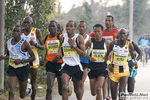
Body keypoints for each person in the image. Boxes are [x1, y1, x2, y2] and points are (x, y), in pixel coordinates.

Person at [56, 20, 94, 100]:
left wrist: (74, 46)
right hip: (66, 66)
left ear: (74, 28)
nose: (68, 28)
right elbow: (60, 49)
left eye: (71, 26)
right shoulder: (62, 37)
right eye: (67, 26)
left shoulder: (79, 37)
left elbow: (83, 54)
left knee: (77, 90)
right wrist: (58, 55)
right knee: (65, 87)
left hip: (76, 66)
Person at [0, 25, 35, 100]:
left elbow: (33, 57)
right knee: (11, 91)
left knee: (22, 95)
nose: (15, 33)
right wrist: (3, 57)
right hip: (12, 68)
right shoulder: (8, 42)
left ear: (21, 32)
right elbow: (9, 55)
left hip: (23, 69)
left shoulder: (25, 43)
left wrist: (22, 61)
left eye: (17, 31)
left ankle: (28, 89)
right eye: (14, 31)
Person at [105, 28, 138, 100]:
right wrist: (109, 64)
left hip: (124, 71)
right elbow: (106, 55)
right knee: (114, 96)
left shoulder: (129, 45)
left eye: (124, 34)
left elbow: (133, 58)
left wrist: (134, 63)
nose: (122, 35)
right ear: (118, 35)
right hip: (113, 70)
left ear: (127, 35)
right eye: (121, 34)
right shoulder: (113, 44)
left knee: (122, 91)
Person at [22, 16, 44, 100]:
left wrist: (36, 44)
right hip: (24, 59)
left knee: (33, 82)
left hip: (34, 60)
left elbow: (43, 47)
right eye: (24, 23)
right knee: (24, 80)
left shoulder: (36, 31)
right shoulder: (21, 32)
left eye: (28, 22)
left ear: (32, 23)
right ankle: (28, 86)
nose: (26, 24)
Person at [85, 24, 110, 100]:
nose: (97, 33)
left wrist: (107, 57)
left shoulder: (106, 42)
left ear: (102, 32)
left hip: (102, 68)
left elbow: (111, 53)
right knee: (93, 92)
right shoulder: (90, 42)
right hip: (92, 68)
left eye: (98, 31)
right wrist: (89, 57)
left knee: (99, 88)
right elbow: (82, 52)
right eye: (95, 31)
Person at [77, 21, 90, 98]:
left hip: (85, 62)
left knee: (81, 83)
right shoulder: (75, 37)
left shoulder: (89, 38)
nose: (81, 28)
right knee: (77, 83)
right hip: (76, 62)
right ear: (78, 28)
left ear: (86, 28)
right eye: (80, 26)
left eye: (83, 26)